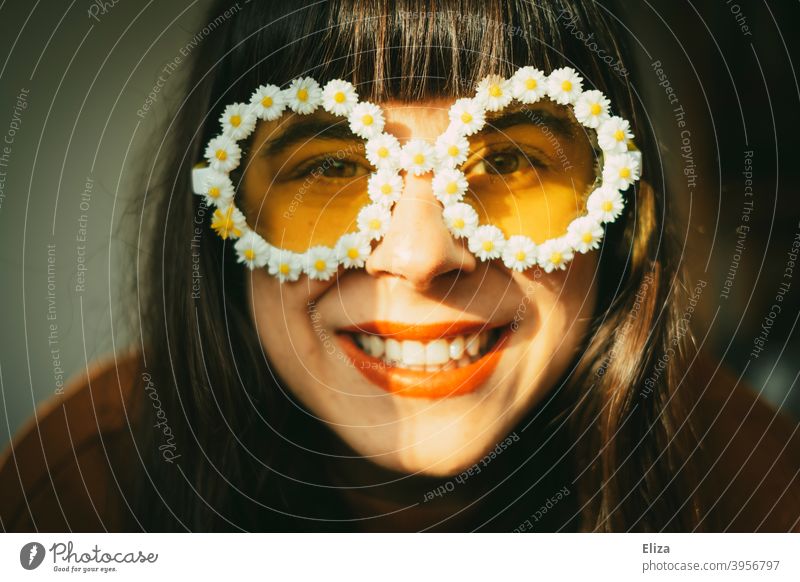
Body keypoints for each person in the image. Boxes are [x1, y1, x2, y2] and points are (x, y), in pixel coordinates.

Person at [1, 0, 798, 532]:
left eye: (514, 160)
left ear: (622, 212)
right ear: (221, 216)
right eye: (329, 170)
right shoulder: (71, 499)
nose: (419, 257)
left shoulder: (758, 498)